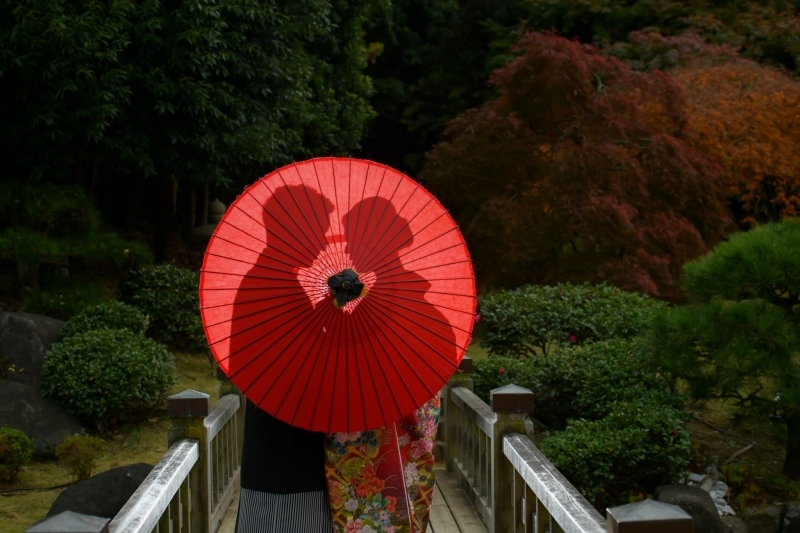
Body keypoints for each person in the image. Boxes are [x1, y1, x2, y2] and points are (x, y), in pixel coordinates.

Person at [228, 184, 335, 533]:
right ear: (293, 232)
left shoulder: (276, 283)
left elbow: (301, 346)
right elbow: (297, 360)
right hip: (282, 444)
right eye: (319, 230)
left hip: (288, 435)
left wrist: (328, 308)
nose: (323, 242)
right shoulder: (266, 286)